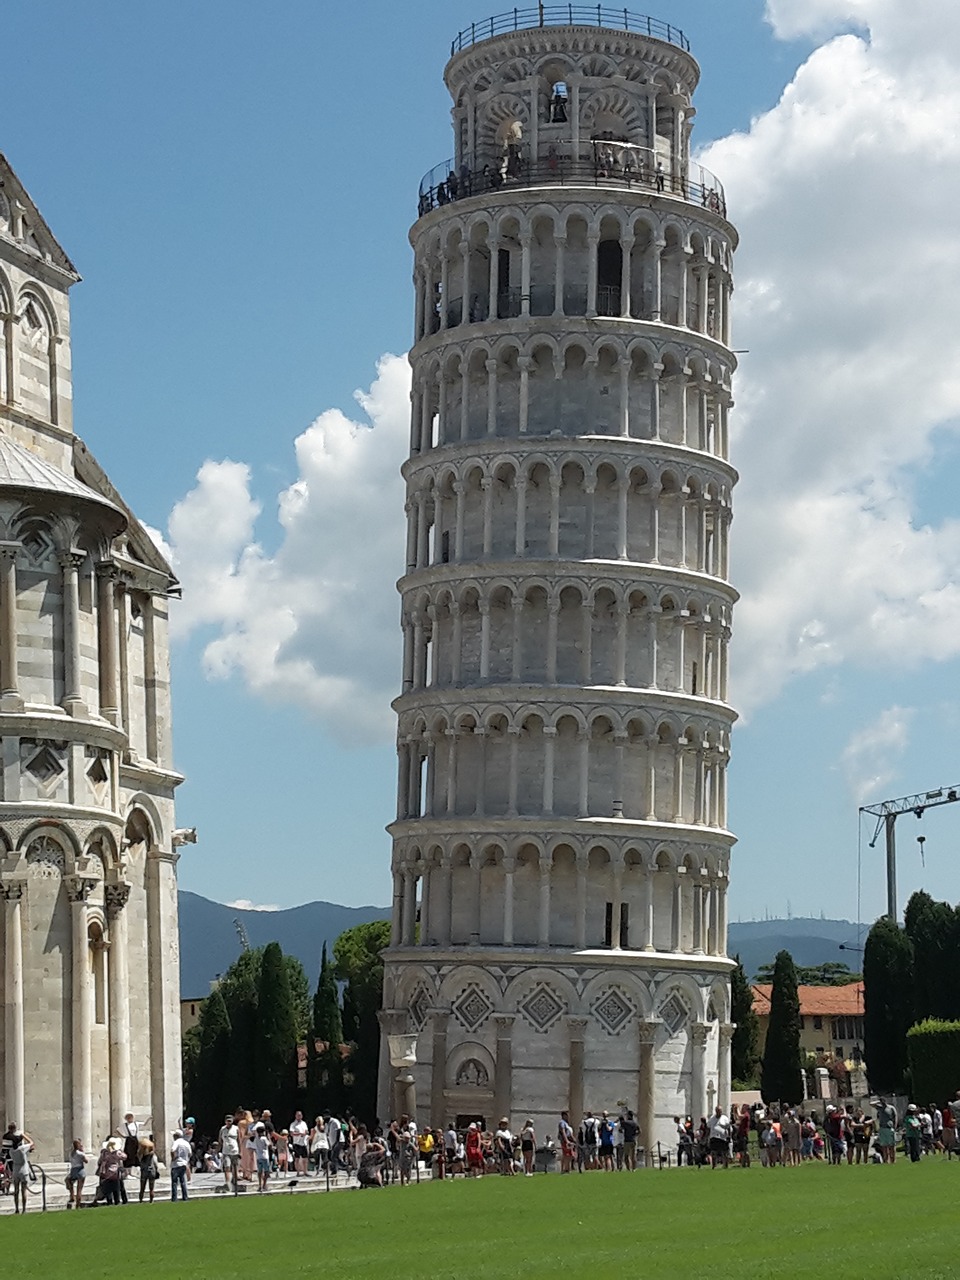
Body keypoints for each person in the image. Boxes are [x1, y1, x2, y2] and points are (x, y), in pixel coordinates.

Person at [9, 1132, 32, 1213]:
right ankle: (24, 1209)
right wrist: (23, 1136)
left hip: (15, 1170)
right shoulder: (22, 1148)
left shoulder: (11, 1150)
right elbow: (31, 1143)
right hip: (23, 1170)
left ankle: (17, 1209)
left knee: (16, 1190)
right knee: (23, 1190)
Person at [98, 1137, 125, 1206]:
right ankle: (117, 1202)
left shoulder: (104, 1153)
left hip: (107, 1174)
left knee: (108, 1190)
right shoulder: (117, 1153)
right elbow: (124, 1157)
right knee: (116, 1189)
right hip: (115, 1174)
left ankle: (110, 1202)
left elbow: (100, 1161)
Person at [219, 1113, 240, 1192]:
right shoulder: (222, 1129)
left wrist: (240, 1151)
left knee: (234, 1167)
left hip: (235, 1151)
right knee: (227, 1167)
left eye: (230, 1121)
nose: (229, 1122)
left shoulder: (236, 1128)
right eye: (227, 1121)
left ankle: (234, 1182)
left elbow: (239, 1140)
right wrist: (218, 1150)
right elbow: (220, 1140)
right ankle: (228, 1183)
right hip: (226, 1151)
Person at [170, 1129, 192, 1201]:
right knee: (183, 1182)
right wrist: (186, 1160)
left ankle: (174, 1198)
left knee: (174, 1182)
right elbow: (190, 1153)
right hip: (183, 1164)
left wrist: (173, 1158)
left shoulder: (176, 1142)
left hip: (176, 1164)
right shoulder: (186, 1143)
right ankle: (185, 1197)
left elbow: (172, 1150)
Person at [66, 1138, 88, 1208]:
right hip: (80, 1170)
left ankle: (72, 1196)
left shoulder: (71, 1153)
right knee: (79, 1189)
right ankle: (78, 1205)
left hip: (73, 1170)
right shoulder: (80, 1153)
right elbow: (86, 1161)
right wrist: (83, 1152)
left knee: (70, 1182)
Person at [876, 1098, 898, 1164]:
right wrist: (878, 1101)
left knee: (892, 1145)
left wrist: (895, 1126)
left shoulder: (891, 1108)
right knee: (884, 1146)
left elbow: (895, 1116)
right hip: (882, 1128)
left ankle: (893, 1160)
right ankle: (886, 1160)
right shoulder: (879, 1108)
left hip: (889, 1128)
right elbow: (871, 1104)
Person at [252, 1122, 271, 1191]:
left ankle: (260, 1185)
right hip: (265, 1156)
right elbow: (269, 1145)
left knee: (259, 1172)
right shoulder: (264, 1138)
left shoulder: (256, 1139)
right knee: (266, 1171)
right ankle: (264, 1185)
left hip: (258, 1157)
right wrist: (268, 1137)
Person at [289, 1110, 309, 1176]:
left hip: (303, 1142)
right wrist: (299, 1134)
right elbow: (291, 1133)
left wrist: (304, 1133)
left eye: (300, 1115)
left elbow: (306, 1131)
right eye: (298, 1115)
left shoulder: (304, 1123)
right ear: (295, 1116)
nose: (299, 1117)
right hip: (296, 1143)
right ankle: (297, 1172)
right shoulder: (293, 1124)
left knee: (305, 1158)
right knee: (297, 1158)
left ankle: (305, 1171)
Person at [138, 1139, 158, 1203]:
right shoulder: (153, 1155)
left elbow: (139, 1159)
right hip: (151, 1171)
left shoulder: (141, 1155)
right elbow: (155, 1163)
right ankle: (151, 1200)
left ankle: (141, 1200)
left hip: (144, 1171)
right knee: (151, 1188)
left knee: (142, 1187)